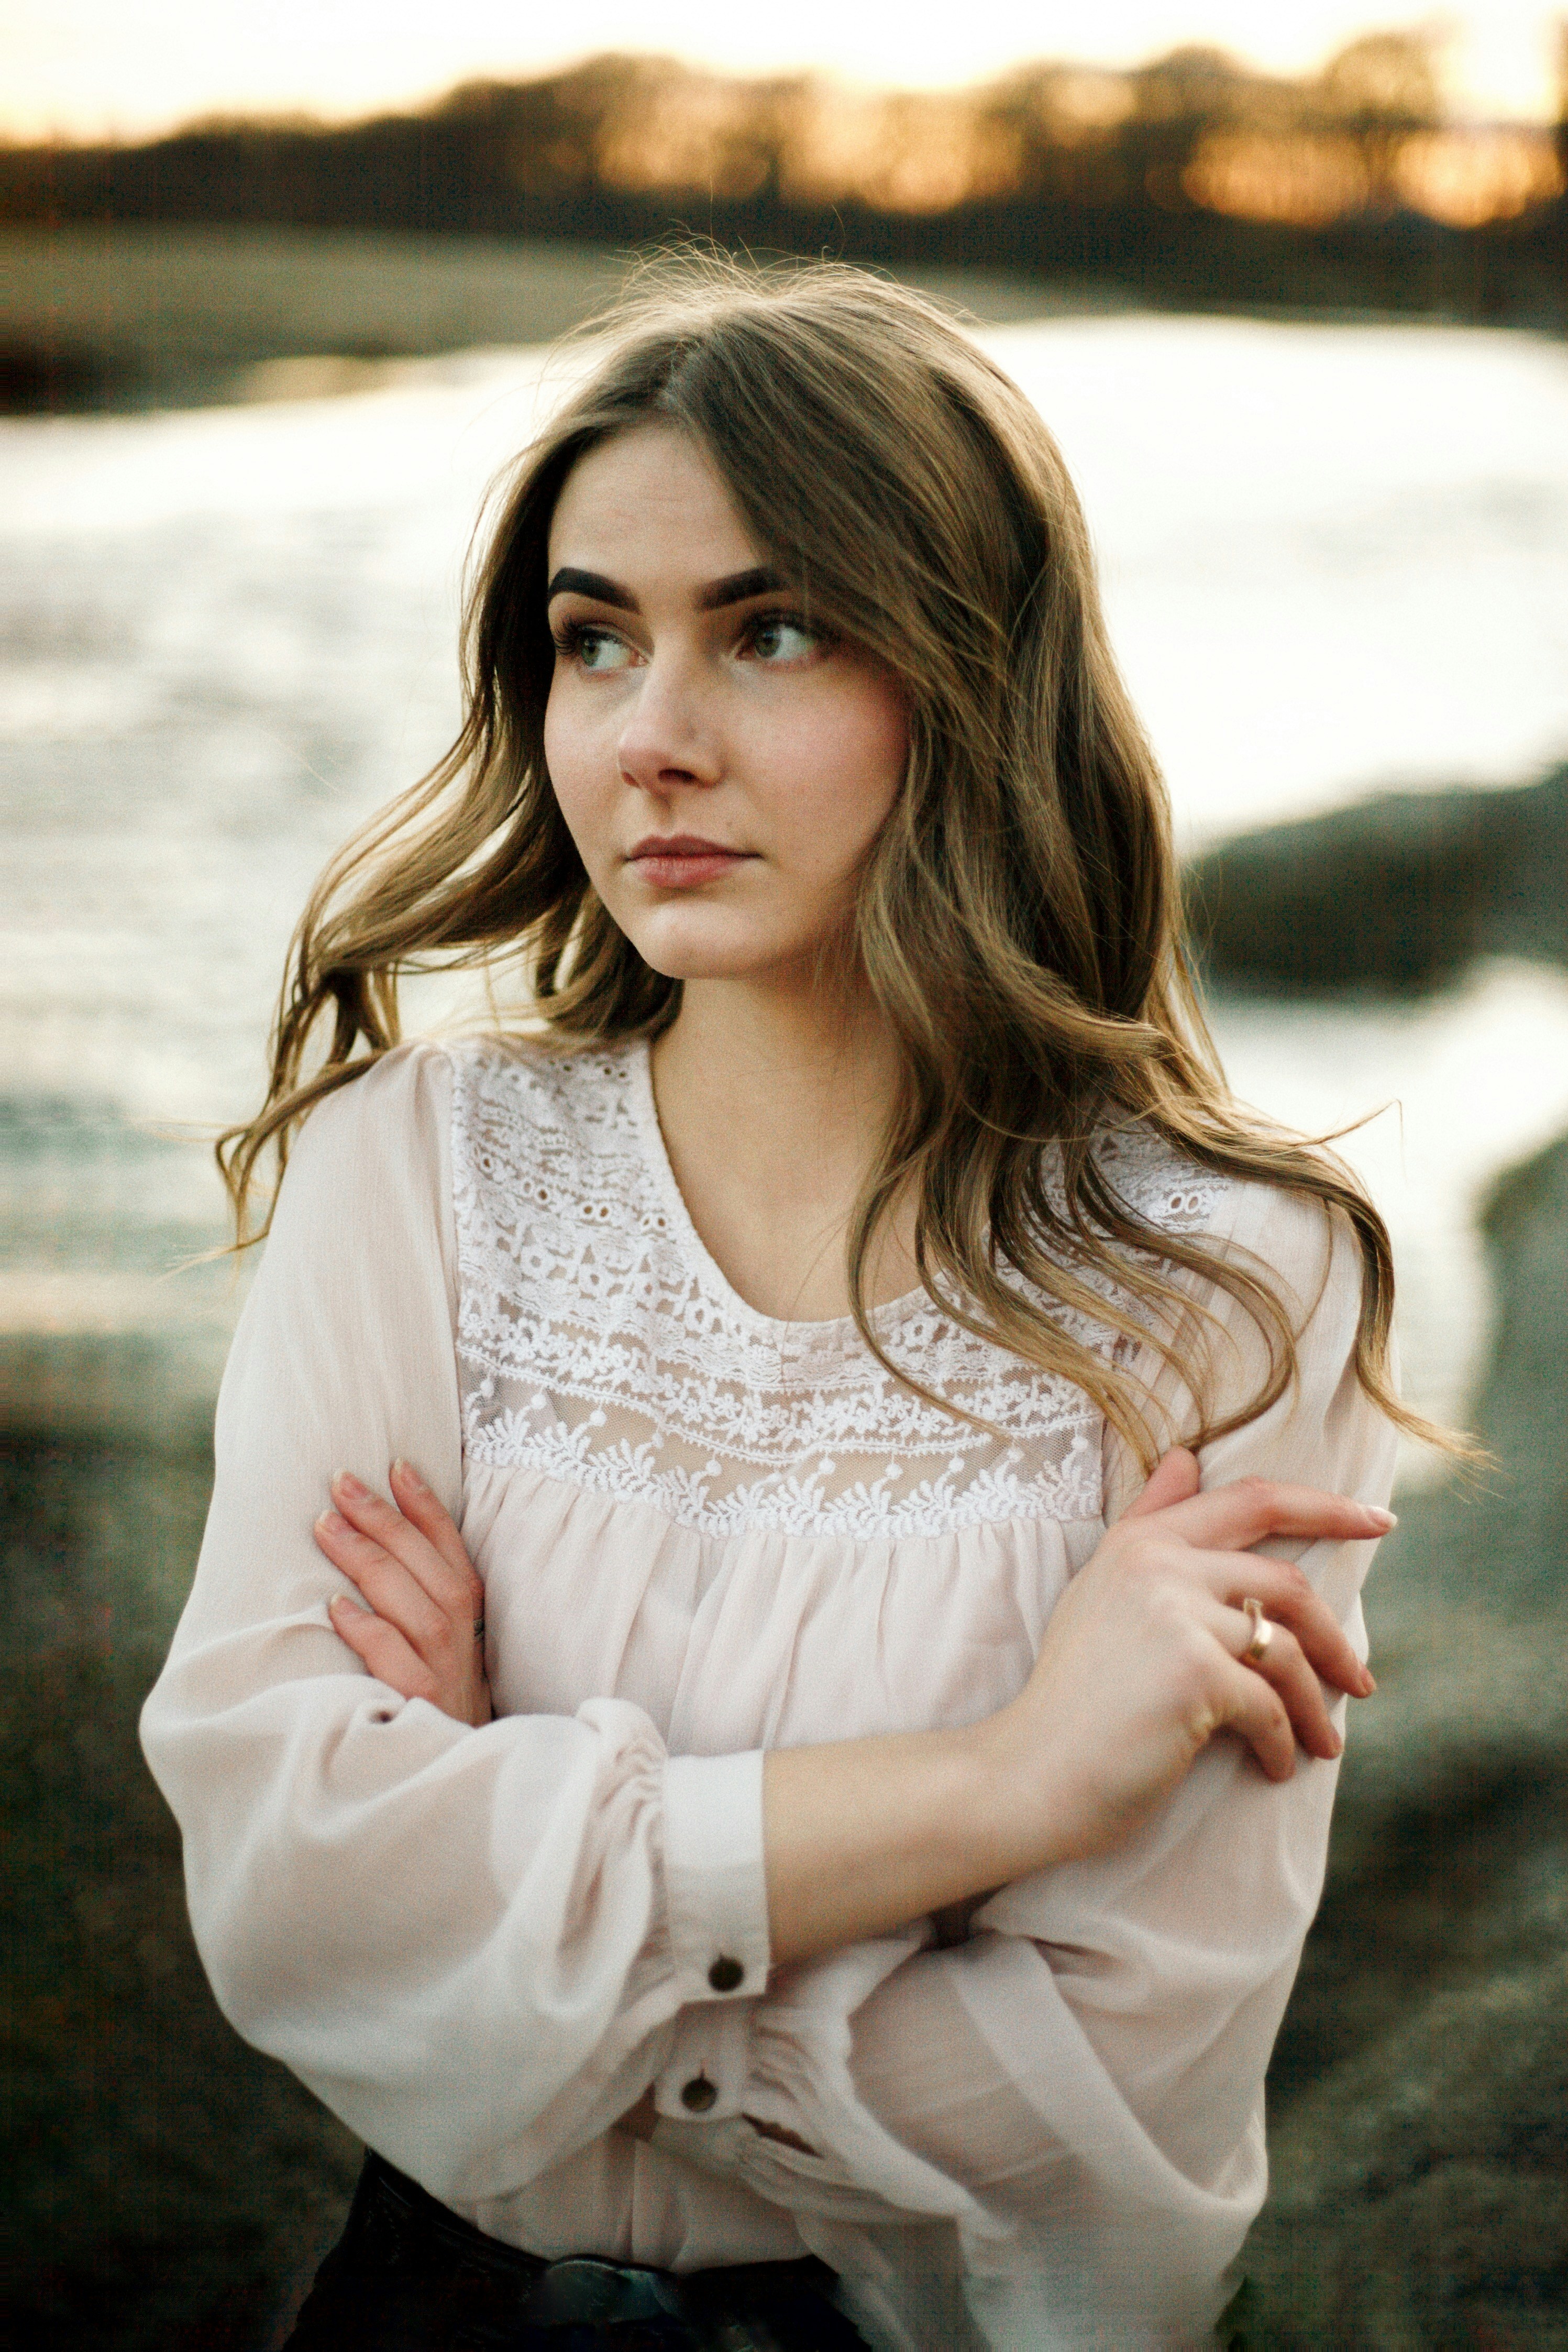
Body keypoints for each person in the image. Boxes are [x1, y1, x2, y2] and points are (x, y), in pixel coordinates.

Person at [141, 262, 1431, 2350]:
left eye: (769, 628)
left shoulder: (1224, 1286)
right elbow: (293, 1895)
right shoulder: (417, 1175)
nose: (649, 737)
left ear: (971, 674)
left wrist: (516, 1855)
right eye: (591, 641)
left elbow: (1116, 2110)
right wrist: (999, 1792)